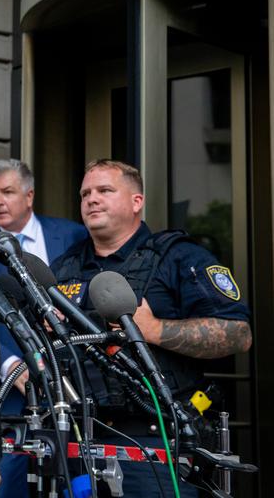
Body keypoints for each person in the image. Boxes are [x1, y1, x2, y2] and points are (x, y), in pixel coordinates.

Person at [50, 159, 252, 497]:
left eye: (104, 190)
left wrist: (154, 329)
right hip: (80, 439)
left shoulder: (178, 258)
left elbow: (238, 333)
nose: (91, 199)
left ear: (136, 202)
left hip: (157, 443)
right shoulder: (64, 267)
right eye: (85, 193)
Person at [0, 158, 87, 498]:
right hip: (8, 392)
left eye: (7, 192)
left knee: (71, 478)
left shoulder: (73, 236)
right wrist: (14, 365)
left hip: (69, 384)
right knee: (8, 483)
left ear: (29, 196)